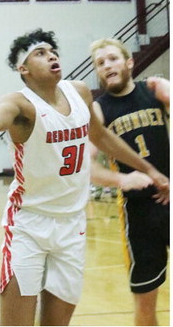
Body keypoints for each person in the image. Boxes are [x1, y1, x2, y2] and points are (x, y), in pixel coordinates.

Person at [0, 29, 169, 326]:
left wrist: (149, 169)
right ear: (22, 69)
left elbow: (102, 137)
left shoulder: (79, 92)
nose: (51, 55)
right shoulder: (19, 104)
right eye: (39, 53)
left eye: (52, 50)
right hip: (29, 226)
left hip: (72, 226)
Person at [90, 37, 170, 326]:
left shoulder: (154, 90)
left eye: (112, 58)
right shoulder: (98, 110)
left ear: (129, 62)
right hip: (139, 215)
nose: (107, 65)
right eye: (100, 63)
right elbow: (86, 168)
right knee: (145, 303)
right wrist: (122, 178)